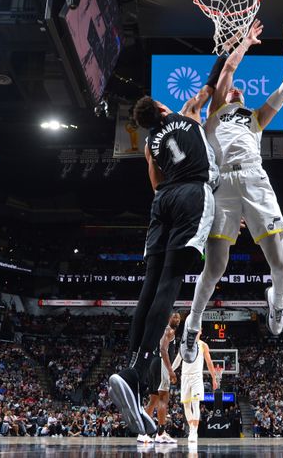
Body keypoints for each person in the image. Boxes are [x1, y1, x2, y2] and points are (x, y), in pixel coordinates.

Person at [181, 19, 283, 363]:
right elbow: (228, 67)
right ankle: (193, 323)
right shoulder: (215, 111)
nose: (235, 90)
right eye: (231, 90)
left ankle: (277, 302)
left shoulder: (256, 118)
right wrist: (246, 41)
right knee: (214, 268)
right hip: (222, 185)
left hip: (256, 181)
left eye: (239, 90)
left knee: (282, 265)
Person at [108, 53, 224, 436]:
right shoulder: (188, 112)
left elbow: (156, 184)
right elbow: (210, 85)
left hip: (163, 203)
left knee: (150, 286)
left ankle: (132, 374)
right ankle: (137, 370)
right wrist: (225, 52)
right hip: (192, 194)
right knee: (172, 283)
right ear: (161, 107)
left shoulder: (149, 145)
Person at [137, 312, 180, 445]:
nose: (177, 319)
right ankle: (160, 433)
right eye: (174, 317)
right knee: (163, 398)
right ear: (168, 318)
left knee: (153, 399)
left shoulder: (160, 329)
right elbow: (163, 349)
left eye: (178, 318)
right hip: (161, 364)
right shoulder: (169, 330)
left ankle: (142, 432)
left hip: (153, 363)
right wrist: (171, 370)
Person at [171, 330, 219, 444]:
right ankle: (192, 428)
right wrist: (170, 371)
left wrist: (214, 378)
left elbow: (209, 362)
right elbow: (178, 360)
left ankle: (194, 431)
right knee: (186, 405)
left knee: (195, 403)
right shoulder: (184, 344)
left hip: (197, 377)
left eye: (197, 330)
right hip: (185, 377)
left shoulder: (203, 345)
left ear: (200, 332)